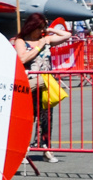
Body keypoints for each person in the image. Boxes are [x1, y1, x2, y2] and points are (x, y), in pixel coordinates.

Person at [13, 13, 71, 163]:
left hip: (46, 84)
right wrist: (38, 48)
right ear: (32, 27)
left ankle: (47, 149)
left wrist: (52, 30)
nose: (41, 31)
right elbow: (22, 58)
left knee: (46, 117)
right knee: (28, 118)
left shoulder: (46, 39)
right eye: (39, 27)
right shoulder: (21, 41)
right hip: (29, 84)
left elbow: (67, 35)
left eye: (43, 27)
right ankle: (23, 151)